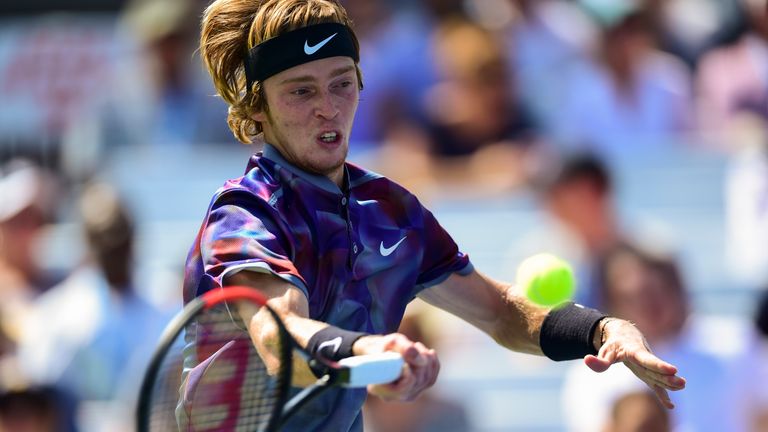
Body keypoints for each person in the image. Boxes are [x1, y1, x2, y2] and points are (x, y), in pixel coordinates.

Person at [182, 1, 685, 430]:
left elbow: (502, 313)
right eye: (301, 90)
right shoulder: (244, 214)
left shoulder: (391, 211)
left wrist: (602, 330)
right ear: (257, 108)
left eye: (341, 84)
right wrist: (370, 353)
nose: (328, 108)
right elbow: (280, 337)